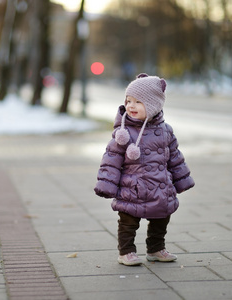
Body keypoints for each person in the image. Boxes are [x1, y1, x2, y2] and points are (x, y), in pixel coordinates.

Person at [94, 73, 195, 266]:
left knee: (161, 220)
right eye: (128, 100)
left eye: (138, 102)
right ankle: (126, 252)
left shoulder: (166, 131)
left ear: (154, 105)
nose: (131, 106)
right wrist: (106, 185)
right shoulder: (123, 133)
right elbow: (111, 159)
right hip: (133, 188)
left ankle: (156, 249)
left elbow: (175, 158)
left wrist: (182, 181)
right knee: (128, 222)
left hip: (160, 187)